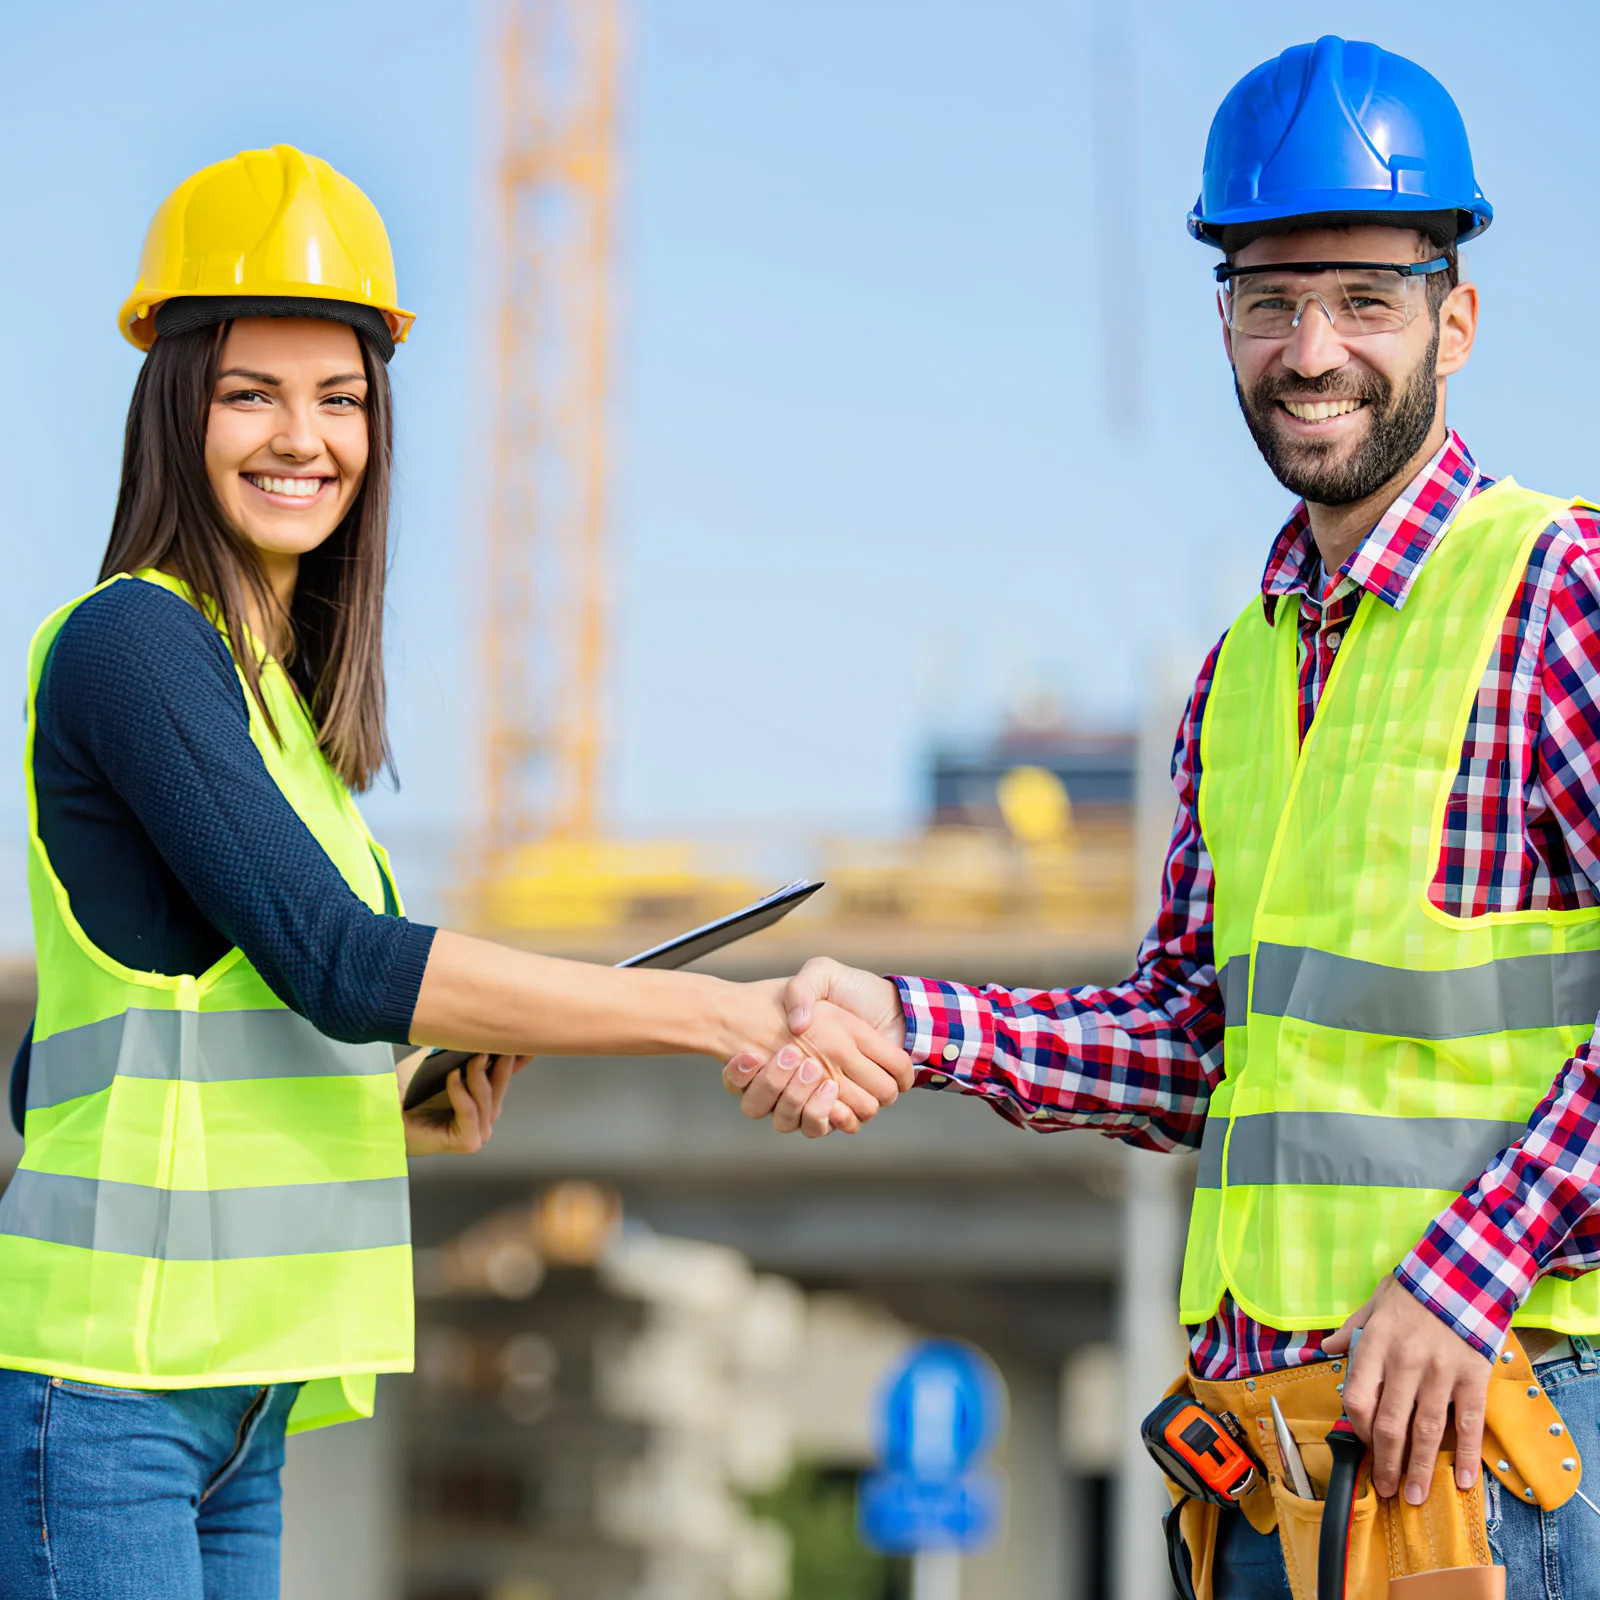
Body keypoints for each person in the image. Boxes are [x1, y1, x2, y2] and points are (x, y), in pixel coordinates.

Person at [727, 35, 1600, 1600]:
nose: (1310, 347)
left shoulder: (1562, 597)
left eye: (1363, 299)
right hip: (1267, 1465)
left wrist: (1474, 1276)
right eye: (1268, 300)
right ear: (1224, 325)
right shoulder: (1234, 681)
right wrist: (910, 1022)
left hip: (1502, 1439)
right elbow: (1195, 1044)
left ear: (1455, 319)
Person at [0, 144, 910, 1600]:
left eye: (341, 397)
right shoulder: (129, 643)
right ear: (172, 406)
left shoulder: (279, 712)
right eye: (251, 391)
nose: (304, 437)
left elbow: (79, 1065)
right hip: (112, 1391)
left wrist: (396, 1112)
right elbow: (343, 962)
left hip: (243, 1400)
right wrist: (727, 1017)